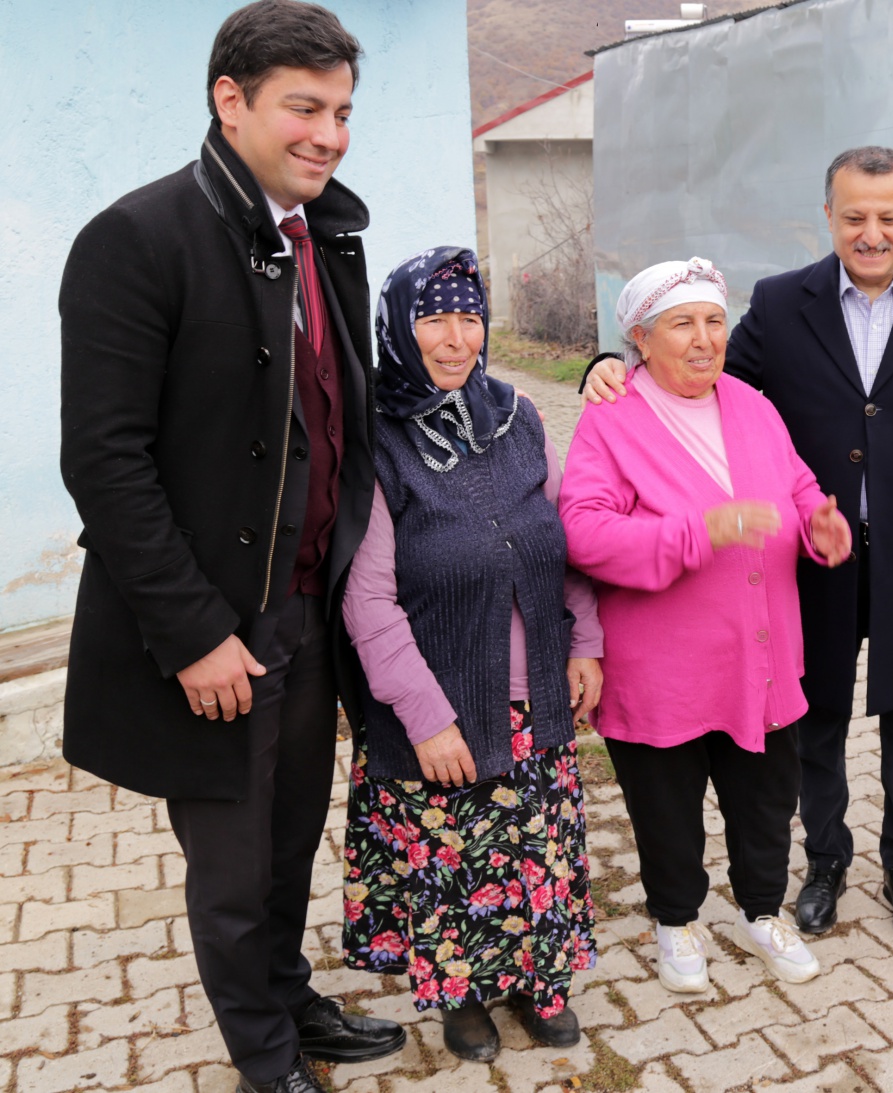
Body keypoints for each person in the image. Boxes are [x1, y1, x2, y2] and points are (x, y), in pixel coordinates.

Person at [57, 4, 403, 1090]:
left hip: (308, 610)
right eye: (304, 108)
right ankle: (263, 1054)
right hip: (217, 633)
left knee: (294, 832)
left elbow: (347, 407)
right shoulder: (138, 238)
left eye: (342, 111)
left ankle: (288, 995)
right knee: (230, 860)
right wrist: (196, 631)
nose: (330, 134)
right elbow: (105, 462)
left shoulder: (322, 233)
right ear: (231, 101)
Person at [583, 148, 893, 943]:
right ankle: (825, 858)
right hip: (816, 556)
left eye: (888, 217)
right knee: (817, 720)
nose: (872, 233)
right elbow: (699, 369)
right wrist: (611, 361)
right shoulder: (783, 304)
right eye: (855, 217)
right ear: (829, 217)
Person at [560, 258, 853, 990]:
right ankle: (677, 920)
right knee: (667, 805)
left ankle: (762, 911)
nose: (703, 339)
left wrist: (822, 524)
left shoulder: (753, 404)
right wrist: (698, 529)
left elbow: (797, 484)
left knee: (765, 799)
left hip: (760, 654)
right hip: (664, 668)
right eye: (682, 323)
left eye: (714, 321)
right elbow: (583, 532)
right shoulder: (612, 418)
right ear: (640, 337)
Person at [339, 248, 601, 1062]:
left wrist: (586, 640)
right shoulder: (377, 440)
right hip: (442, 700)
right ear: (399, 327)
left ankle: (535, 980)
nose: (455, 339)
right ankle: (464, 996)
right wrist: (424, 718)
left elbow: (564, 542)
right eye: (433, 319)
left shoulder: (519, 416)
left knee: (538, 846)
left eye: (468, 316)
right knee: (453, 853)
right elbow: (367, 601)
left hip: (536, 694)